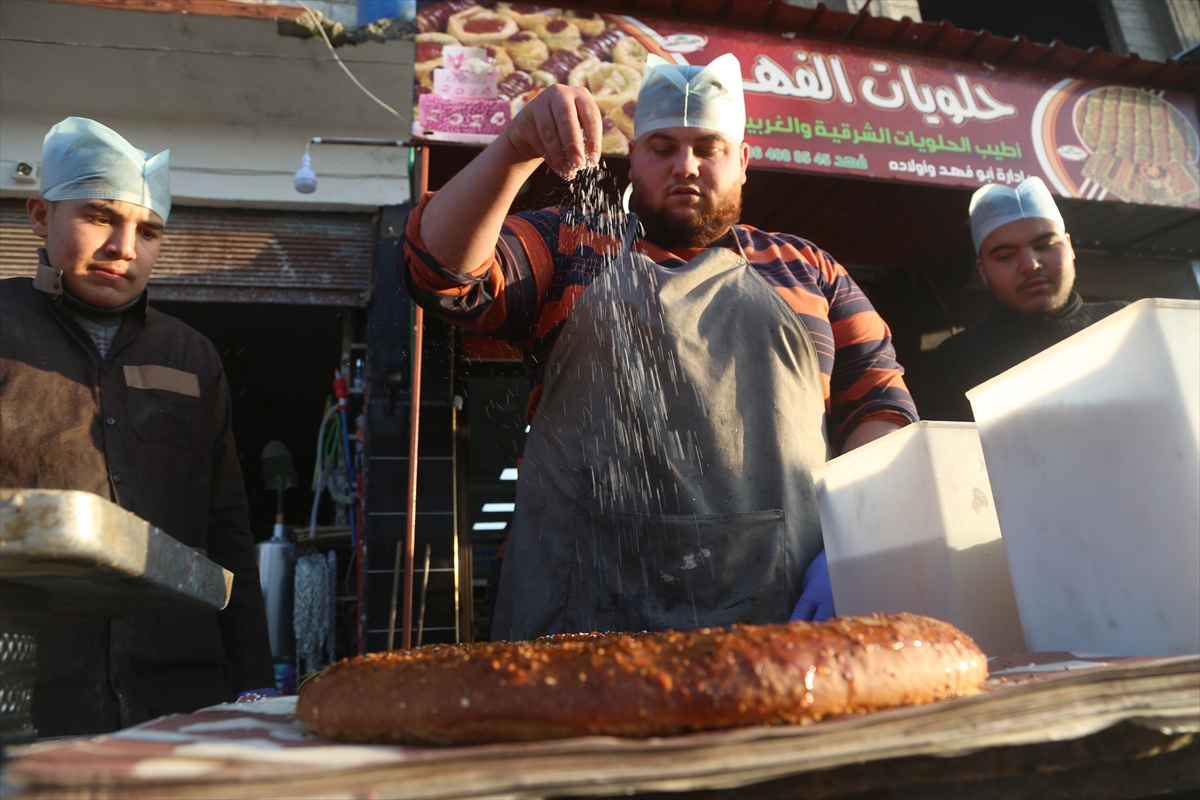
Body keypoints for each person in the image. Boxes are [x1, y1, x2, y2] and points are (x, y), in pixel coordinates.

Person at [403, 55, 917, 641]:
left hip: (777, 615)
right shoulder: (569, 241)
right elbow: (439, 270)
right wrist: (515, 147)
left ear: (743, 161)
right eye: (663, 147)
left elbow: (882, 411)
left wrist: (853, 548)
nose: (686, 166)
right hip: (578, 621)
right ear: (632, 162)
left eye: (708, 147)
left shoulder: (808, 271)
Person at [0, 117, 274, 736]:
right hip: (26, 689)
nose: (125, 246)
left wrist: (254, 679)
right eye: (100, 216)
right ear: (41, 215)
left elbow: (227, 528)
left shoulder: (191, 355)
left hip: (178, 687)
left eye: (148, 230)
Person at [921, 177, 1126, 422]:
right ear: (983, 270)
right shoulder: (958, 361)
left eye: (1046, 245)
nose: (1030, 265)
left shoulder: (1125, 323)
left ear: (1069, 247)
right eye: (1006, 256)